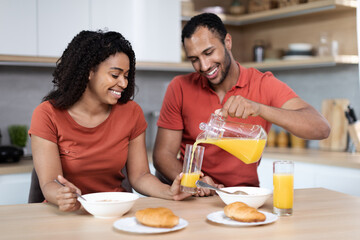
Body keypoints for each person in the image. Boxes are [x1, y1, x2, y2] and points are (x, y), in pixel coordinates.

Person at [153, 13, 330, 196]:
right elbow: (162, 155)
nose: (204, 66)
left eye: (209, 52)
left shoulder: (263, 84)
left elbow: (321, 128)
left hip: (242, 195)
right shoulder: (180, 87)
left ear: (227, 42)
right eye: (194, 59)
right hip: (192, 196)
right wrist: (195, 181)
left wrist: (259, 108)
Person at [29, 30, 191, 212]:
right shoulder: (47, 114)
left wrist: (169, 192)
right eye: (115, 75)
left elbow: (140, 175)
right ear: (89, 72)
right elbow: (50, 182)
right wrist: (61, 195)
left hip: (115, 212)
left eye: (126, 75)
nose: (123, 83)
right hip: (69, 214)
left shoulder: (131, 113)